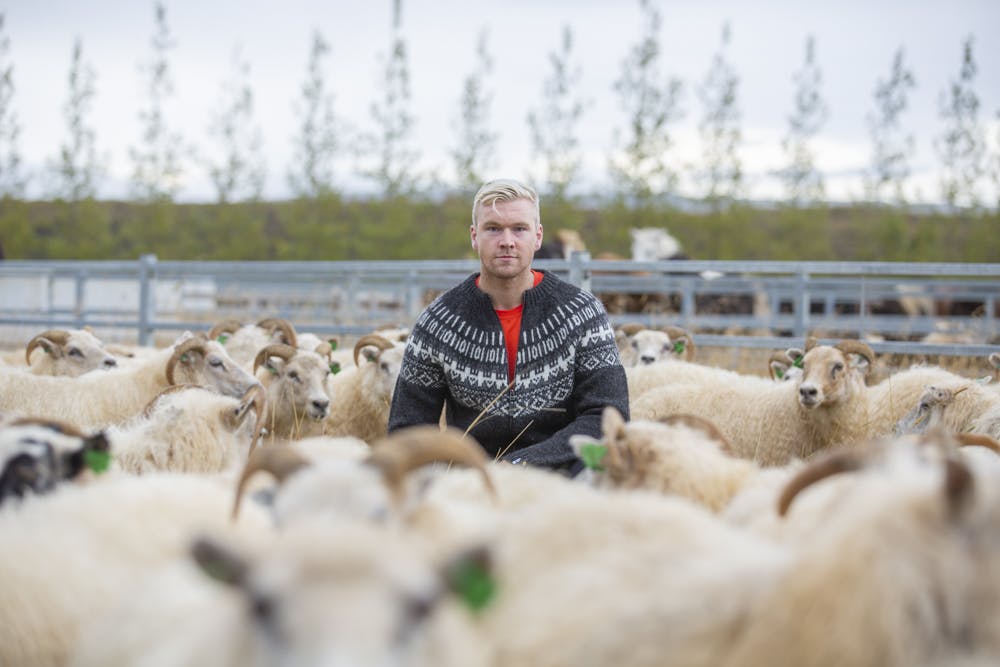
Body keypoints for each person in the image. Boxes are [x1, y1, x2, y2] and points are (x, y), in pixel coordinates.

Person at [387, 178, 629, 475]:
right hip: (472, 483)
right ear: (474, 236)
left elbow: (606, 415)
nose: (507, 241)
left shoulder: (582, 313)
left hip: (563, 478)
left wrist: (520, 464)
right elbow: (407, 430)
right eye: (493, 229)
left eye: (519, 228)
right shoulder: (437, 323)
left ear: (537, 237)